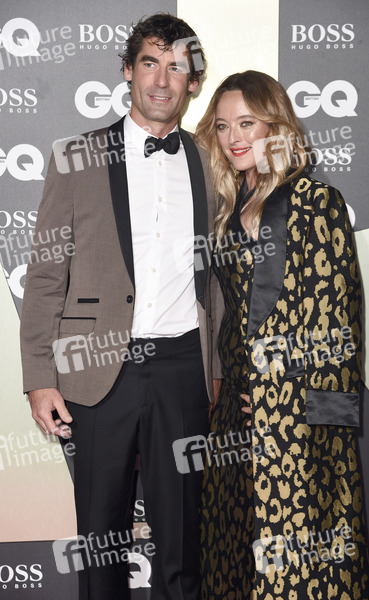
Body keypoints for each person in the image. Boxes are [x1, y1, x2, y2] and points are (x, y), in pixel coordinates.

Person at [20, 13, 222, 600]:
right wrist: (39, 377)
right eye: (150, 63)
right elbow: (45, 275)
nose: (161, 80)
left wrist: (213, 369)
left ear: (192, 82)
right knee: (100, 543)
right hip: (95, 370)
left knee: (182, 544)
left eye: (176, 67)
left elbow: (215, 279)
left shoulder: (209, 163)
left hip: (183, 370)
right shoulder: (74, 156)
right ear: (128, 70)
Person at [195, 70, 369, 600]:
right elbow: (228, 318)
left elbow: (336, 317)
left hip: (300, 422)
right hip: (236, 416)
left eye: (247, 123)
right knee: (235, 555)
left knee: (298, 566)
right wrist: (231, 390)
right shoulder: (225, 211)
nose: (233, 138)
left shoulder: (318, 201)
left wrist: (286, 398)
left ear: (276, 127)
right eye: (223, 126)